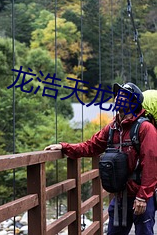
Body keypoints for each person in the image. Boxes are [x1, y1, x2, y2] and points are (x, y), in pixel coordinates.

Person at [44, 82, 157, 235]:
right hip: (120, 196)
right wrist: (65, 147)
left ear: (134, 102)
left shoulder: (145, 128)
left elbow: (151, 163)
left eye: (123, 95)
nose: (118, 97)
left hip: (140, 196)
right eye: (117, 95)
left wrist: (143, 197)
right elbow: (91, 146)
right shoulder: (112, 128)